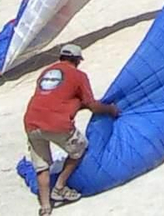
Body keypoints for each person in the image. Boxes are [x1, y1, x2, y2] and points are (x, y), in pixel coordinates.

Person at [24, 43, 120, 215]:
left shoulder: (46, 73)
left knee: (42, 166)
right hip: (56, 123)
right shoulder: (78, 75)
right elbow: (93, 106)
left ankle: (45, 207)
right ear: (76, 60)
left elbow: (55, 99)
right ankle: (60, 186)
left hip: (31, 121)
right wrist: (110, 110)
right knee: (79, 148)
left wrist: (76, 105)